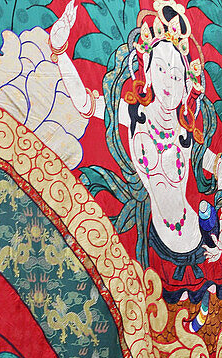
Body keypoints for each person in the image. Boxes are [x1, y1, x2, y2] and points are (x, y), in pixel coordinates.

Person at [50, 0, 222, 307]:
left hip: (199, 242)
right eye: (161, 68)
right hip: (153, 243)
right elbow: (83, 103)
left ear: (186, 85)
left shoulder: (187, 135)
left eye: (176, 73)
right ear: (148, 74)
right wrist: (59, 52)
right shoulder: (133, 115)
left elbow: (218, 166)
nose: (169, 80)